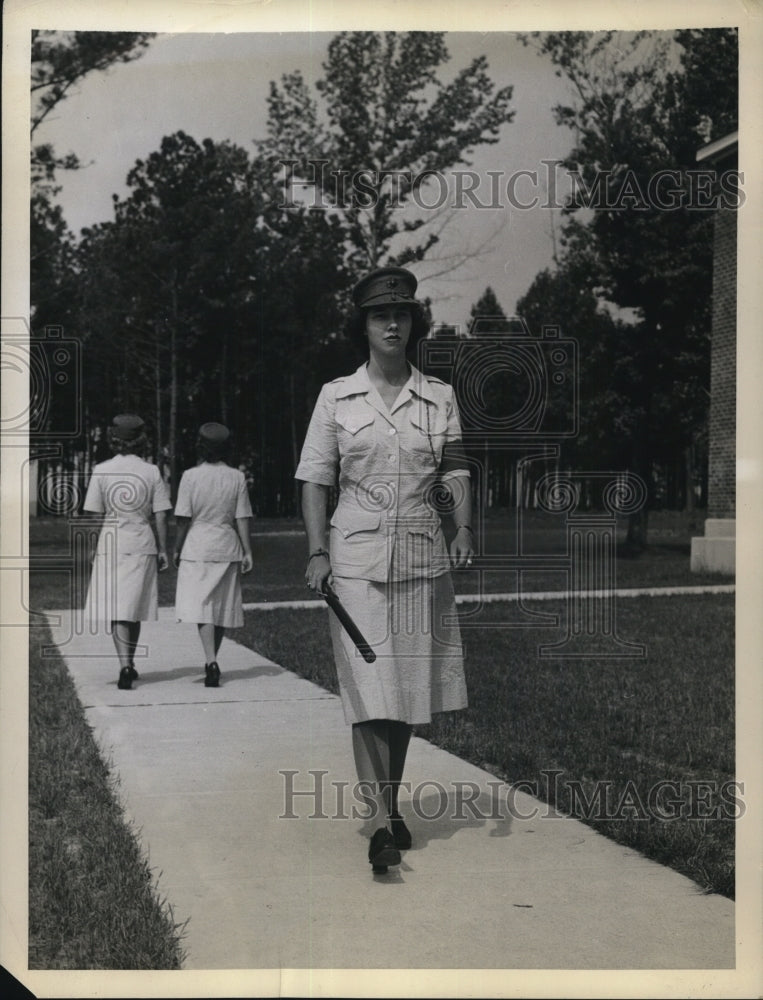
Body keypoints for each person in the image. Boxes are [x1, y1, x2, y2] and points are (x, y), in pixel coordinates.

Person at [295, 266, 474, 874]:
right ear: (363, 327)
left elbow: (453, 471)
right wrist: (318, 551)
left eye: (401, 315)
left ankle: (389, 806)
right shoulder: (335, 395)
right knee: (368, 692)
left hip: (422, 558)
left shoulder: (440, 396)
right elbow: (316, 478)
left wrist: (464, 528)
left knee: (404, 695)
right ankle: (378, 824)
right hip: (355, 563)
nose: (392, 324)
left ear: (414, 323)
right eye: (379, 315)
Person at [82, 413, 171, 690]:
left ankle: (124, 664)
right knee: (134, 606)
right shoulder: (151, 471)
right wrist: (163, 549)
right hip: (142, 543)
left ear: (113, 438)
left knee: (117, 608)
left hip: (111, 543)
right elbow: (160, 515)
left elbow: (95, 515)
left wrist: (93, 546)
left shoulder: (101, 470)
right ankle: (129, 663)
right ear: (141, 440)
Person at [173, 423, 253, 687]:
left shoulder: (190, 476)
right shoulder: (236, 477)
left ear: (200, 447)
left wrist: (176, 547)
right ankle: (212, 659)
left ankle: (211, 661)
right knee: (219, 607)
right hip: (227, 546)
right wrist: (247, 550)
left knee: (204, 608)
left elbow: (183, 518)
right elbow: (242, 516)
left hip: (198, 547)